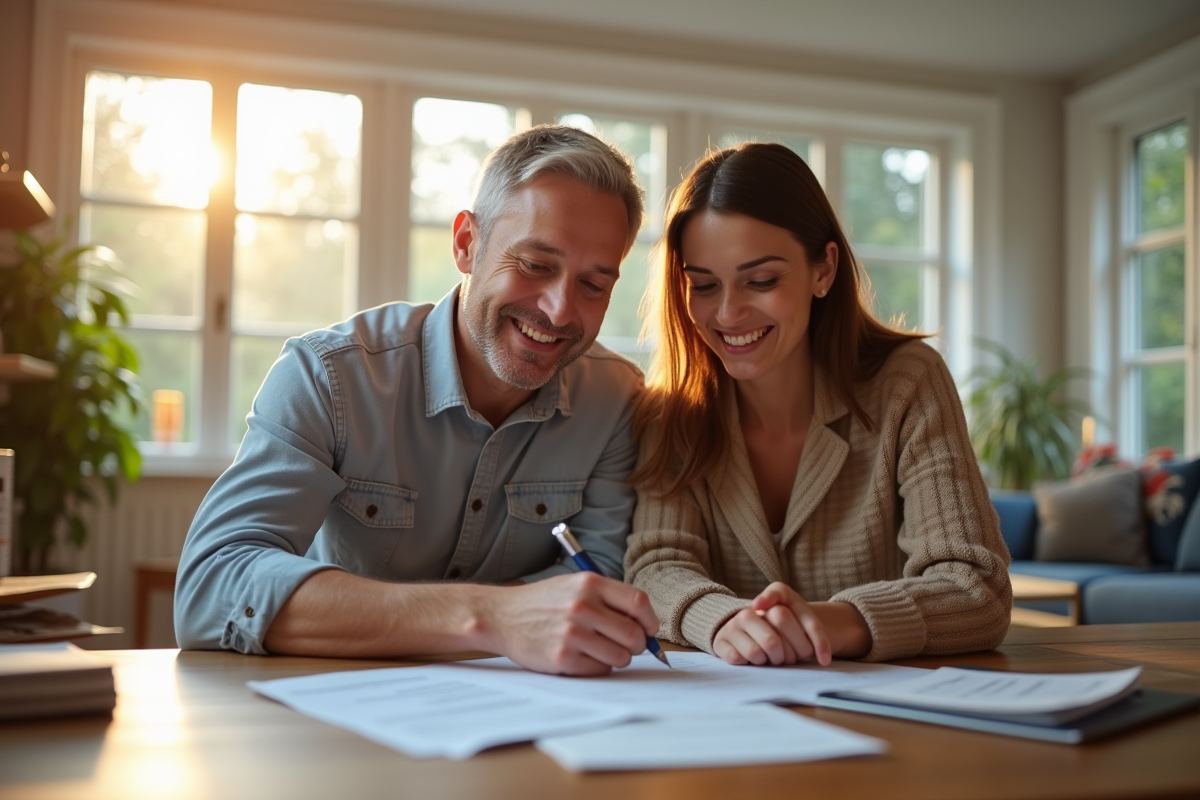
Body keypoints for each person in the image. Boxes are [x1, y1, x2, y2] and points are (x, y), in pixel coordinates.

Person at [175, 125, 660, 677]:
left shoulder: (618, 402)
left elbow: (601, 580)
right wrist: (491, 617)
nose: (559, 310)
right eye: (534, 264)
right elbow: (211, 589)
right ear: (466, 244)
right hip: (328, 715)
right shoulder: (328, 377)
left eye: (594, 285)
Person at [625, 143, 1011, 667]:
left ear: (824, 269)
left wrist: (829, 623)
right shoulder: (671, 411)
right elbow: (655, 566)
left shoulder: (908, 381)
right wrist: (721, 619)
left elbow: (976, 589)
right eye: (704, 285)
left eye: (761, 281)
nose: (729, 313)